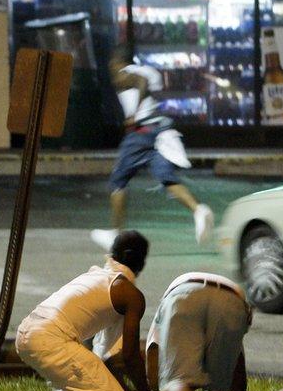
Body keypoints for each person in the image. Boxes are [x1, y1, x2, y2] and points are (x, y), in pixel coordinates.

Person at [8, 231, 158, 391]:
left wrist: (131, 389)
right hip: (52, 339)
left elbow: (106, 358)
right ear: (140, 262)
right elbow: (131, 357)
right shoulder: (130, 294)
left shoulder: (97, 277)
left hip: (27, 333)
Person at [91, 47, 213, 251]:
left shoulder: (123, 75)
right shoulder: (147, 71)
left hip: (141, 133)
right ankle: (198, 210)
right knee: (166, 176)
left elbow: (141, 82)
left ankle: (116, 233)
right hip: (160, 130)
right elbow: (145, 82)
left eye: (112, 64)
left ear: (116, 63)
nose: (111, 70)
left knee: (118, 180)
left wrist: (133, 113)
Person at [135, 271, 254, 391]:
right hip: (233, 301)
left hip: (184, 294)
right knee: (217, 390)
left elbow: (153, 361)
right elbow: (238, 382)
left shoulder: (165, 313)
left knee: (177, 381)